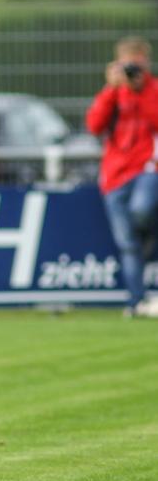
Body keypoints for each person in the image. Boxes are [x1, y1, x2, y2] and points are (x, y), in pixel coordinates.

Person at [86, 36, 158, 317]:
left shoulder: (151, 89)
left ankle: (152, 239)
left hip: (147, 168)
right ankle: (136, 302)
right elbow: (94, 125)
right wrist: (110, 88)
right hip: (114, 175)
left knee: (142, 211)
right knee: (127, 244)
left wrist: (139, 90)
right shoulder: (113, 92)